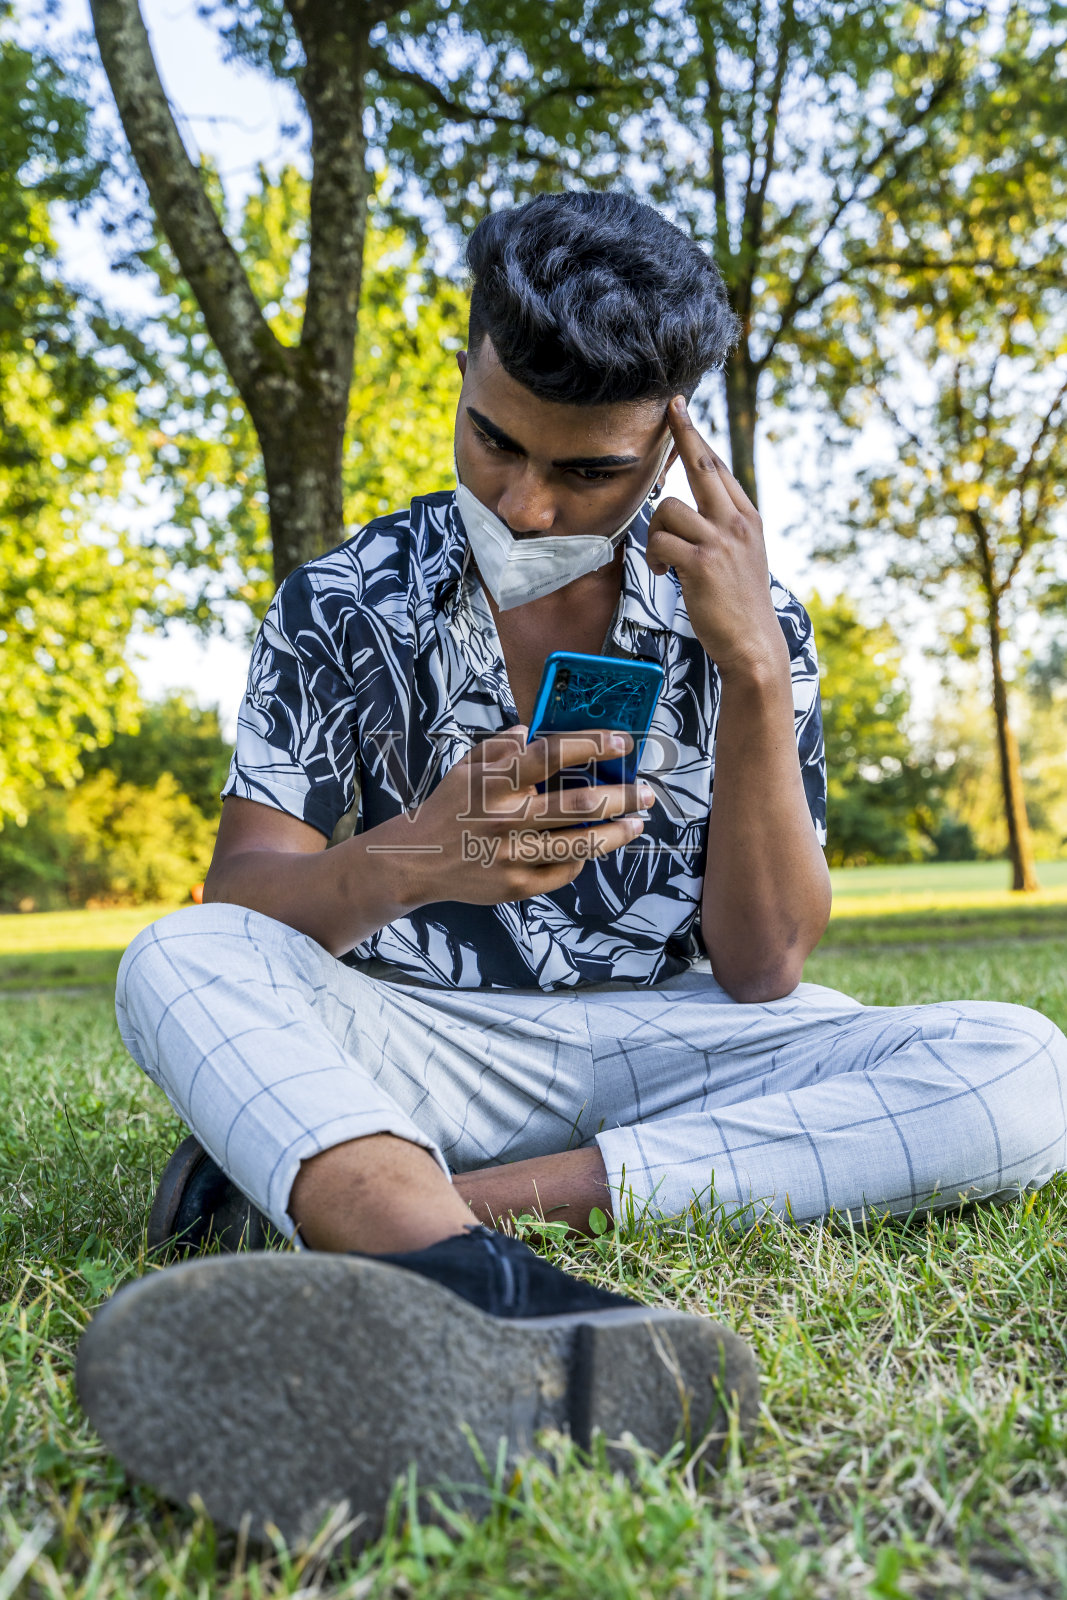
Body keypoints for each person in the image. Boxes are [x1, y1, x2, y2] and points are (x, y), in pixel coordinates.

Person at [77, 191, 1067, 1542]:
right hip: (421, 1045)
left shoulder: (746, 615)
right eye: (494, 440)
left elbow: (767, 965)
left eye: (587, 470)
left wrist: (755, 672)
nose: (525, 497)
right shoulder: (344, 600)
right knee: (176, 959)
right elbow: (241, 899)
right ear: (468, 370)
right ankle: (502, 1305)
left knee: (1025, 1067)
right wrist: (417, 856)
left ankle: (408, 1216)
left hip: (684, 1037)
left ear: (672, 441)